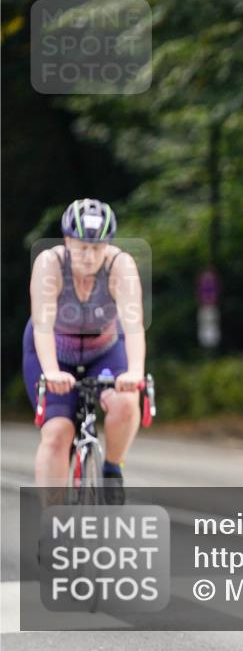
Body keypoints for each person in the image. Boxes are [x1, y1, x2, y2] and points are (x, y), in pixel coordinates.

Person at [24, 198, 147, 505]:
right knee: (57, 433)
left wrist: (134, 371)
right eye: (82, 247)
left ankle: (112, 468)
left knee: (126, 404)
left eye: (98, 247)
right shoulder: (49, 264)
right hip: (54, 350)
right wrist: (52, 371)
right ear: (67, 241)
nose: (89, 256)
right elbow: (42, 326)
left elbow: (133, 326)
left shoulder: (120, 266)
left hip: (103, 350)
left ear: (108, 245)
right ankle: (53, 521)